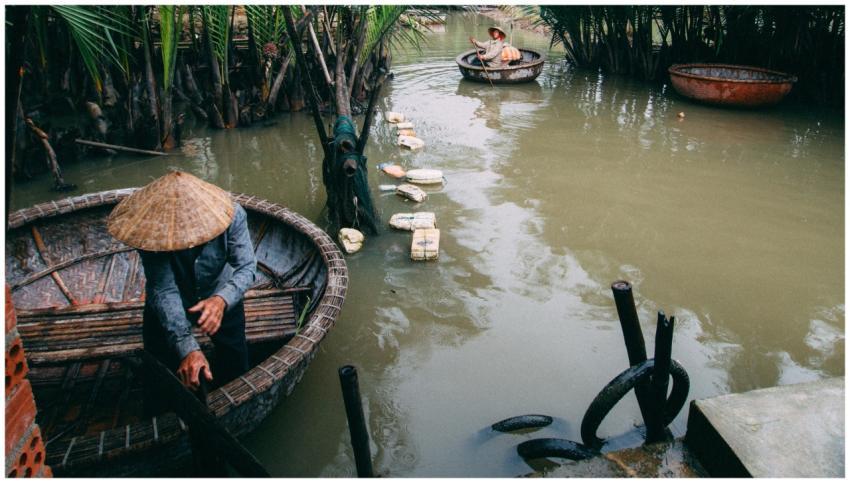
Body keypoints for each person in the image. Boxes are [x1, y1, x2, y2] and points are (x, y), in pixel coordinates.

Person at [106, 171, 257, 413]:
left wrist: (221, 300)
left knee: (235, 362)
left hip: (219, 291)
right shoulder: (151, 231)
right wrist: (189, 348)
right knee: (159, 370)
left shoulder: (232, 214)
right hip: (176, 297)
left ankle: (236, 409)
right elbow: (163, 288)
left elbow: (247, 267)